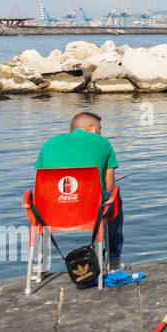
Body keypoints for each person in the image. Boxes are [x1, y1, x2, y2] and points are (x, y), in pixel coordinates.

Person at [34, 112, 126, 269]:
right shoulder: (103, 142)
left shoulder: (48, 144)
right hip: (90, 212)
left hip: (49, 213)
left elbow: (40, 182)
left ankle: (39, 265)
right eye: (99, 128)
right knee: (114, 198)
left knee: (37, 206)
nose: (100, 132)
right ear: (91, 128)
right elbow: (109, 186)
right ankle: (113, 260)